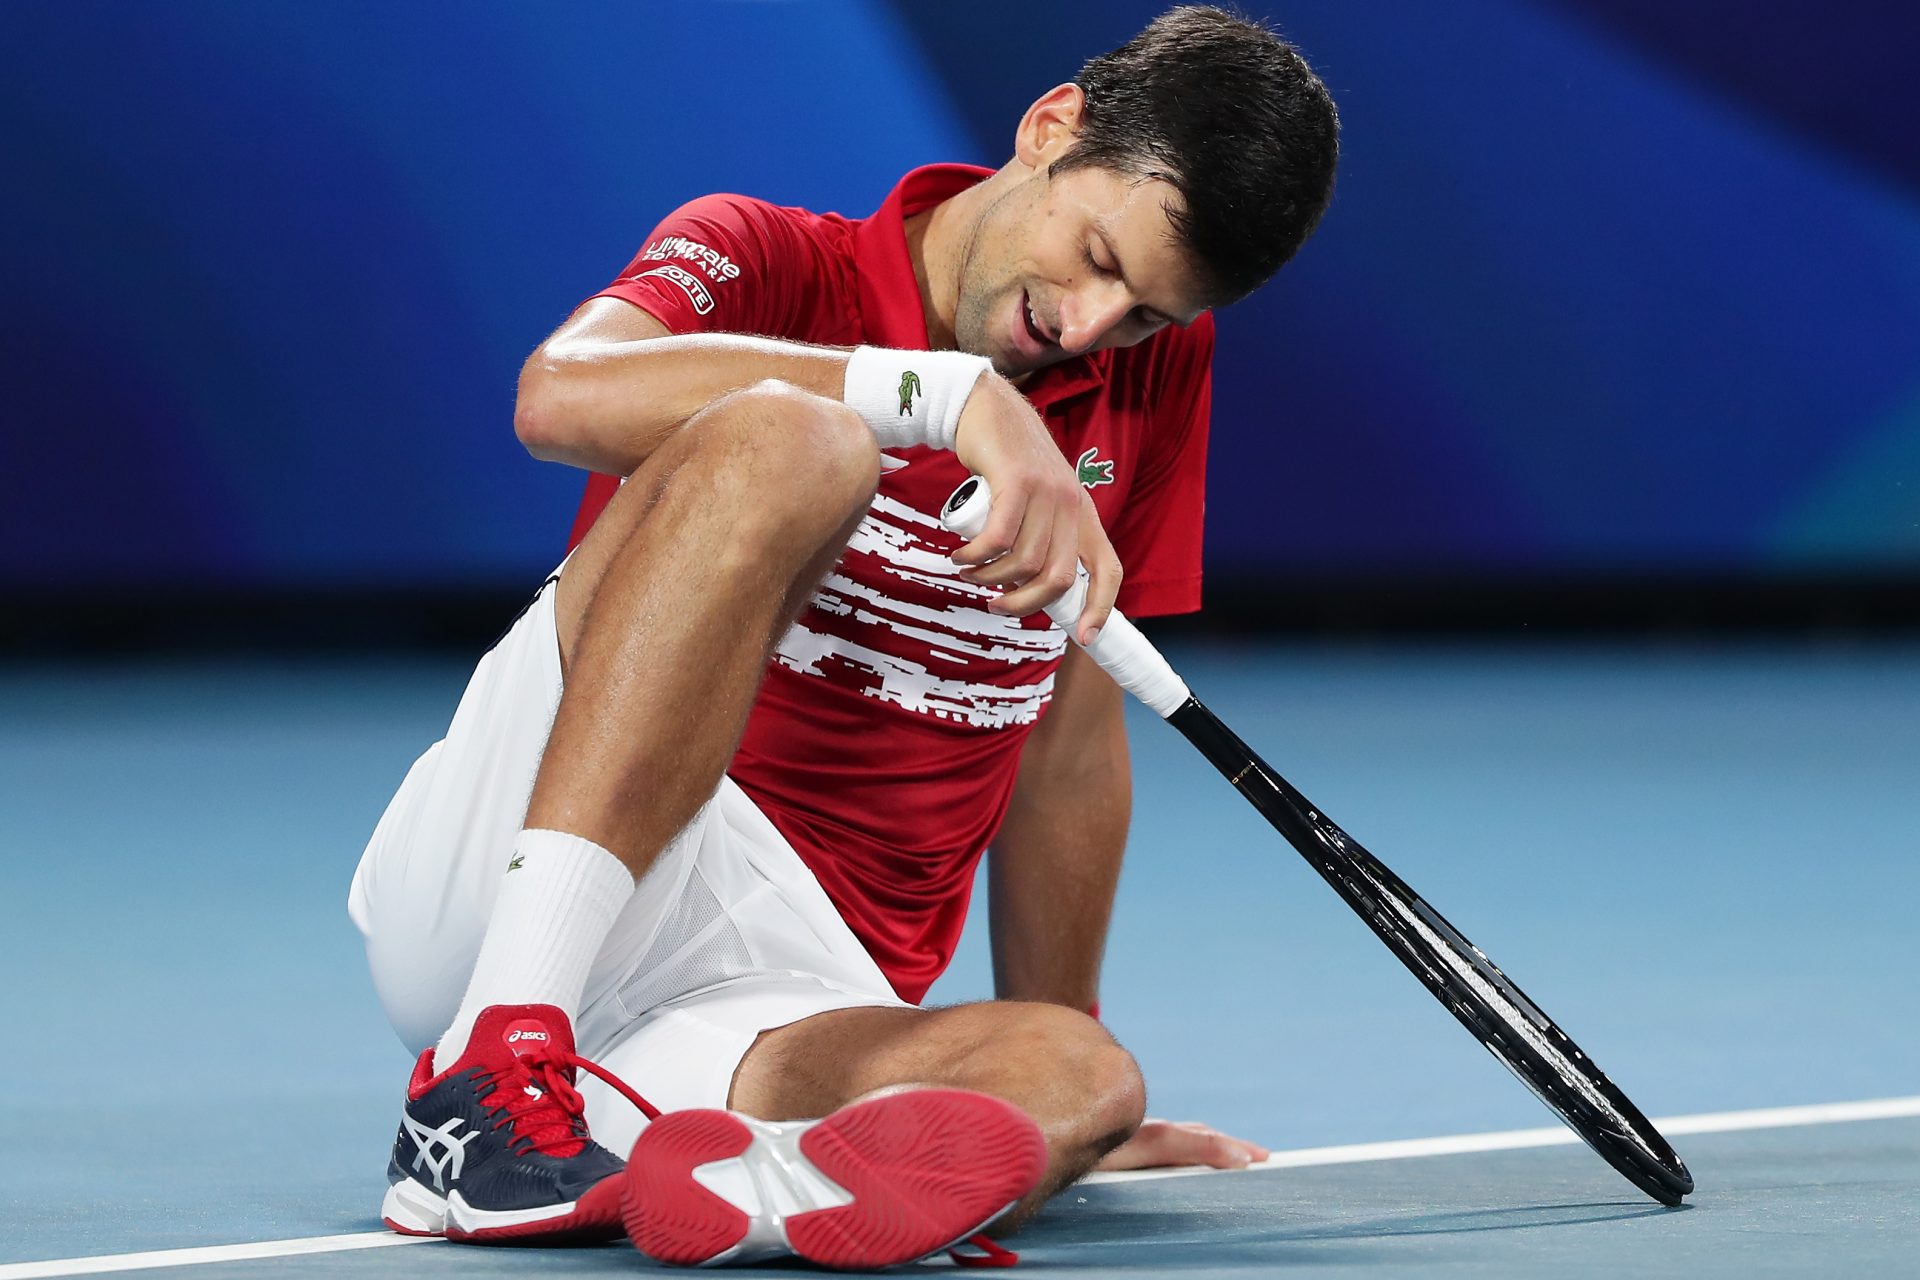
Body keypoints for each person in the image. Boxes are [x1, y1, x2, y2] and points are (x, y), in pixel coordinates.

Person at [348, 5, 1338, 1269]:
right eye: (1096, 255)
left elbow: (1069, 731)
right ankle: (492, 1060)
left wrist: (1044, 1097)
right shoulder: (764, 255)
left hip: (788, 989)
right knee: (799, 439)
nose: (1090, 326)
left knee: (1081, 1069)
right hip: (528, 865)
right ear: (1049, 131)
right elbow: (559, 394)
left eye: (1144, 314)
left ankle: (736, 1179)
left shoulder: (1149, 381)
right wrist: (936, 392)